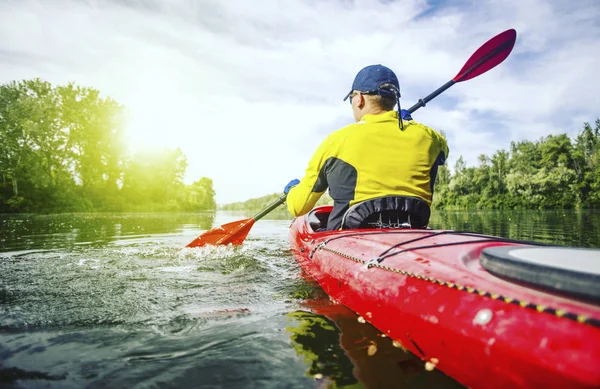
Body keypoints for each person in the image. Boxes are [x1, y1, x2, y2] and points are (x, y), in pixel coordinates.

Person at [284, 64, 448, 230]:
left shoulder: (335, 142)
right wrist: (410, 124)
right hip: (414, 236)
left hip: (346, 243)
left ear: (359, 98)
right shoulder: (430, 138)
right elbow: (443, 153)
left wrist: (292, 191)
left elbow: (299, 207)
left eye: (351, 99)